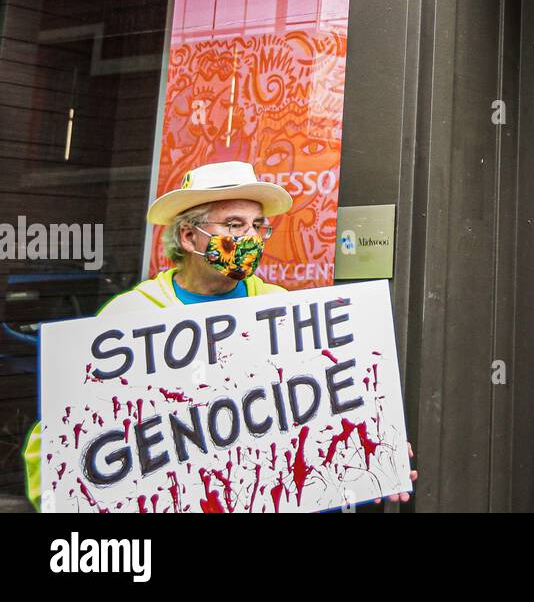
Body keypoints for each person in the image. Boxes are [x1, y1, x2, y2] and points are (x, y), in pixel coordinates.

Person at [21, 160, 415, 510]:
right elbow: (64, 442)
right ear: (190, 238)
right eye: (234, 225)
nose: (252, 239)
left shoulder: (280, 311)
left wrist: (374, 450)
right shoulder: (130, 319)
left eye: (258, 226)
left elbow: (322, 418)